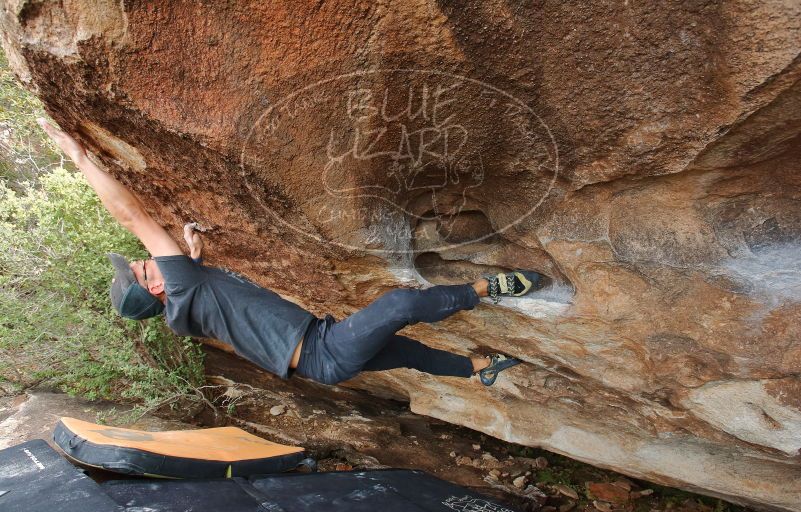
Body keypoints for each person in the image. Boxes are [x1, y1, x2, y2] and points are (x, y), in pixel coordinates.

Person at [39, 119, 543, 387]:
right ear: (155, 286)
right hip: (324, 352)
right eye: (141, 266)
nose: (142, 256)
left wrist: (193, 255)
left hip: (320, 348)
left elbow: (204, 291)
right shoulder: (181, 288)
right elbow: (134, 218)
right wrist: (80, 156)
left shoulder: (182, 307)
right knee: (398, 305)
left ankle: (481, 369)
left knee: (411, 354)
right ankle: (488, 289)